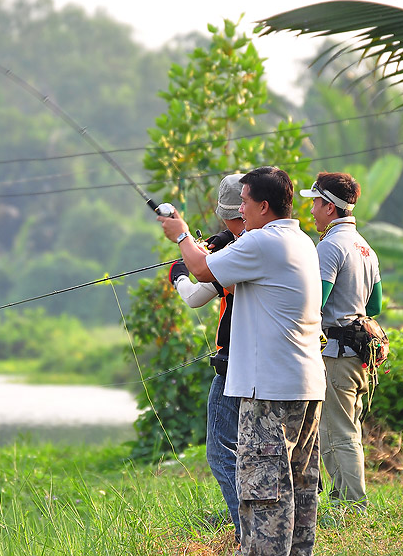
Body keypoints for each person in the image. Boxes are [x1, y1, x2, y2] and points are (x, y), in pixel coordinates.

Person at [159, 166, 325, 556]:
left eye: (245, 203)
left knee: (264, 498)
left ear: (264, 206)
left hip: (269, 392)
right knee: (297, 501)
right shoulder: (299, 240)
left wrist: (181, 235)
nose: (240, 212)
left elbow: (199, 272)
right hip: (304, 388)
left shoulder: (262, 243)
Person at [167, 173, 245, 543]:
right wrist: (221, 243)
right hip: (268, 367)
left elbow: (196, 295)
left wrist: (180, 272)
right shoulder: (281, 241)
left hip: (236, 365)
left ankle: (248, 531)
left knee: (221, 452)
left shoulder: (242, 253)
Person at [299, 172, 382, 510]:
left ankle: (350, 506)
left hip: (337, 353)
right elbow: (374, 306)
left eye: (316, 203)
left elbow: (315, 302)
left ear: (330, 207)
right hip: (360, 354)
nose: (313, 211)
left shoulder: (330, 246)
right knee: (350, 429)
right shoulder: (366, 248)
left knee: (336, 432)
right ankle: (345, 500)